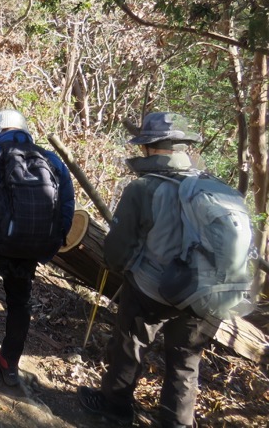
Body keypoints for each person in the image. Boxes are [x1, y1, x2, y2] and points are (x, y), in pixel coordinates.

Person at [78, 112, 215, 428]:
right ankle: (176, 423)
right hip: (209, 293)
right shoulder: (210, 185)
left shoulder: (143, 188)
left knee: (131, 344)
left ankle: (115, 406)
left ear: (150, 148)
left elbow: (117, 247)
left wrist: (117, 266)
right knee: (185, 364)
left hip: (155, 288)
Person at [0, 109, 74, 385]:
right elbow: (66, 210)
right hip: (30, 249)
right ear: (25, 130)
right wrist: (46, 249)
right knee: (19, 303)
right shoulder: (52, 160)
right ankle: (9, 362)